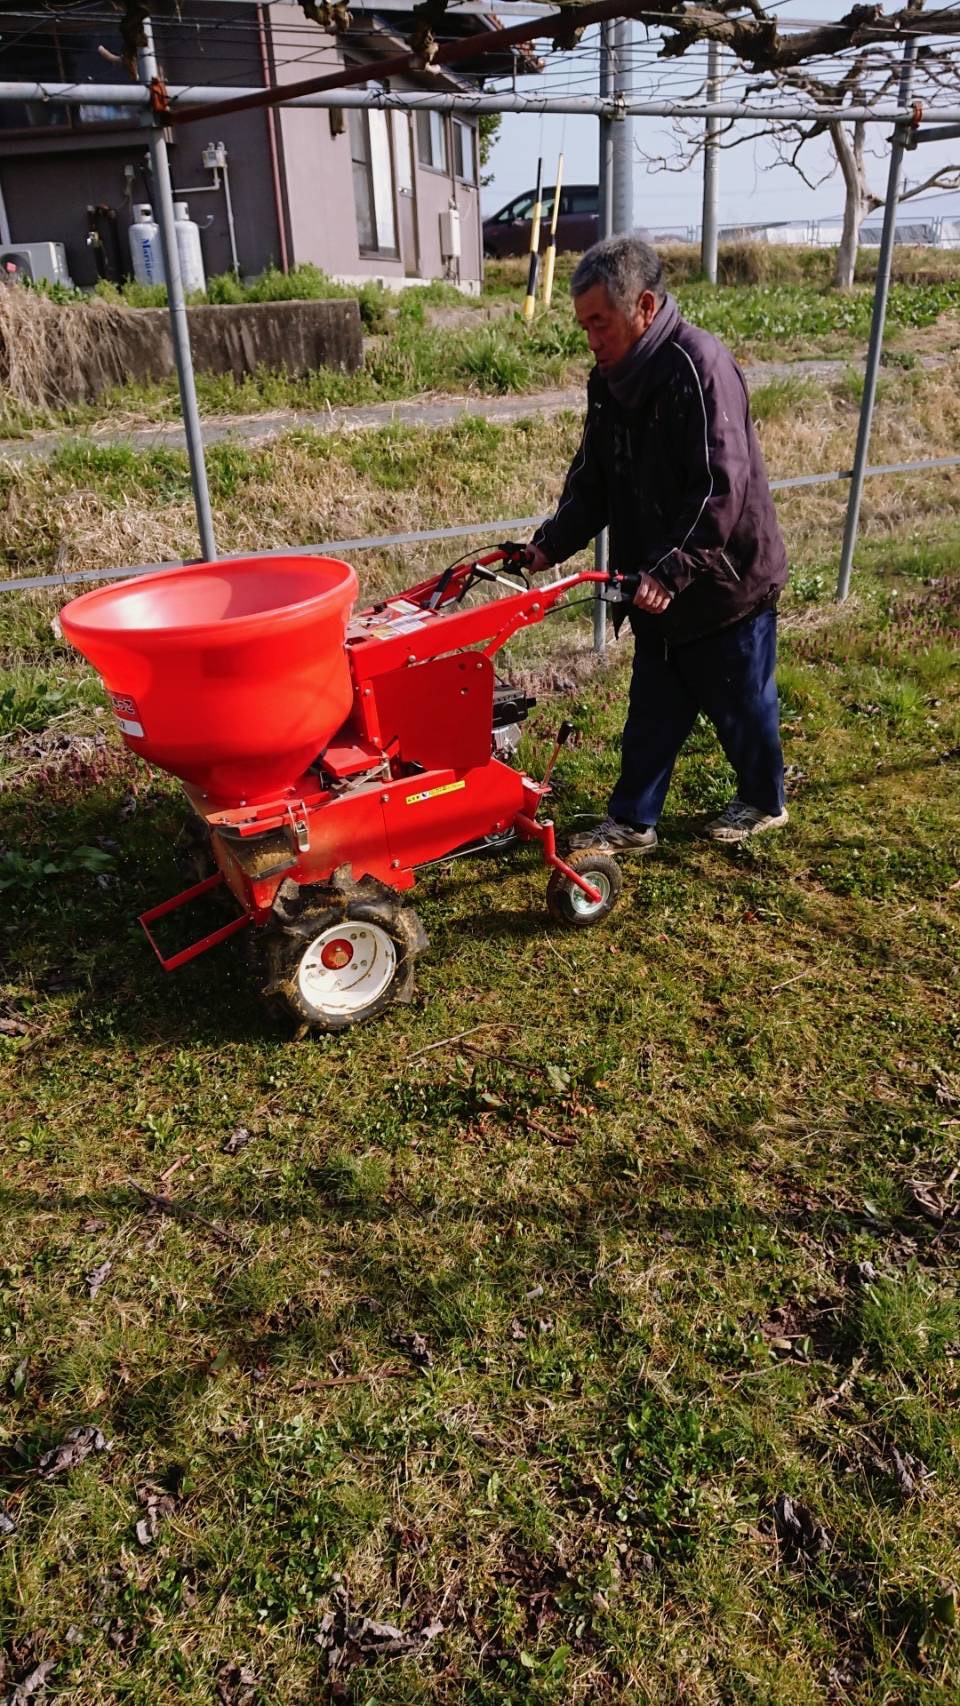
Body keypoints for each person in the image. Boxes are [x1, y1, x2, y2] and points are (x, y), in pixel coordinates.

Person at [525, 234, 789, 851]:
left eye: (601, 323)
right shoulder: (611, 380)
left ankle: (762, 798)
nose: (592, 340)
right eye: (583, 326)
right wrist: (547, 546)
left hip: (723, 582)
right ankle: (634, 819)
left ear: (644, 306)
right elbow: (593, 478)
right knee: (652, 711)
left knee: (742, 707)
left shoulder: (699, 369)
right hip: (657, 586)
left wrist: (668, 573)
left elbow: (719, 488)